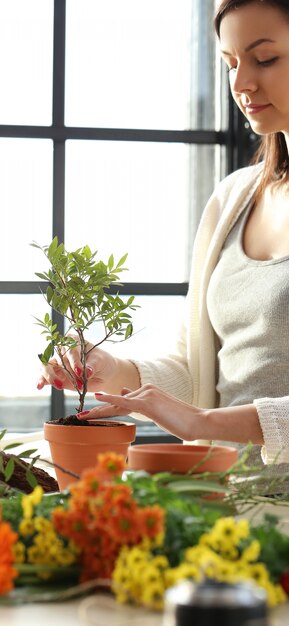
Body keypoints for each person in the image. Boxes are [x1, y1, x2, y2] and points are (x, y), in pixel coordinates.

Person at [37, 0, 289, 467]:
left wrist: (203, 423)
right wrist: (111, 370)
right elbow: (197, 377)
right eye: (230, 64)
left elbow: (200, 414)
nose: (240, 84)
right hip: (225, 506)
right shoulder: (232, 199)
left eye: (265, 59)